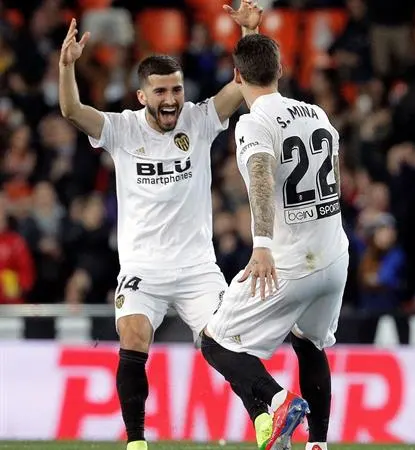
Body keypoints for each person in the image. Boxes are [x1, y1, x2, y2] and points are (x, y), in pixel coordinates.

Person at [57, 2, 263, 449]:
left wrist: (249, 32)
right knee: (132, 336)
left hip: (196, 269)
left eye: (176, 90)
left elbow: (242, 84)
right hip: (143, 269)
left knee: (226, 344)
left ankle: (265, 422)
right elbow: (72, 111)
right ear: (142, 96)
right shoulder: (122, 129)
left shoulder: (200, 120)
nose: (171, 100)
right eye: (161, 92)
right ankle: (136, 441)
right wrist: (68, 68)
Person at [201, 34, 349, 450]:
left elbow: (263, 178)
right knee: (310, 342)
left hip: (289, 259)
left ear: (236, 76)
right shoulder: (318, 114)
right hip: (334, 255)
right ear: (280, 70)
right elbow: (335, 174)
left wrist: (262, 243)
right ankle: (318, 445)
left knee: (215, 342)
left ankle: (281, 401)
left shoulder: (253, 122)